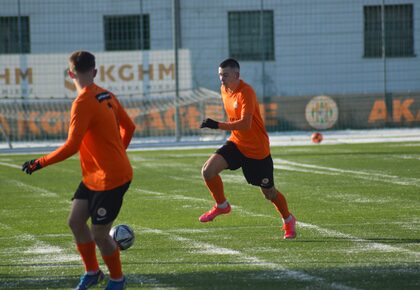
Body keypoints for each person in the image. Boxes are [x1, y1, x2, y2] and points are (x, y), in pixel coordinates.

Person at [22, 51, 135, 290]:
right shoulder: (106, 94)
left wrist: (39, 162)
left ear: (70, 73)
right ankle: (93, 272)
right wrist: (118, 152)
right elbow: (130, 127)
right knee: (75, 221)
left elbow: (72, 146)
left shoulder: (82, 102)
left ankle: (117, 280)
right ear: (94, 71)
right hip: (95, 176)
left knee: (100, 235)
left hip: (112, 179)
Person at [199, 58, 296, 239]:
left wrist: (217, 125)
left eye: (225, 75)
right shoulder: (224, 89)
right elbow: (238, 126)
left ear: (236, 75)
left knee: (269, 193)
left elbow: (245, 124)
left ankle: (288, 220)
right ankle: (222, 206)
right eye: (220, 75)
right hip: (237, 143)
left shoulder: (246, 92)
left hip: (257, 151)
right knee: (207, 171)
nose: (222, 79)